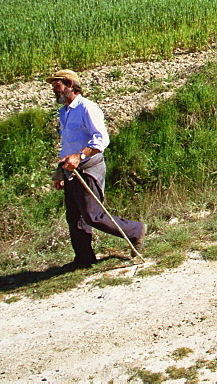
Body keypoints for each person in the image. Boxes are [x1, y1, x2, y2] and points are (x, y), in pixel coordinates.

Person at [47, 69, 146, 269]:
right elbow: (68, 143)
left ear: (70, 85)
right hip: (70, 169)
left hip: (88, 167)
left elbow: (100, 139)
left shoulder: (86, 108)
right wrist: (61, 171)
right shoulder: (64, 112)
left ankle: (135, 230)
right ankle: (84, 259)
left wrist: (80, 156)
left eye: (57, 86)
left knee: (92, 215)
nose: (54, 90)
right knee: (74, 217)